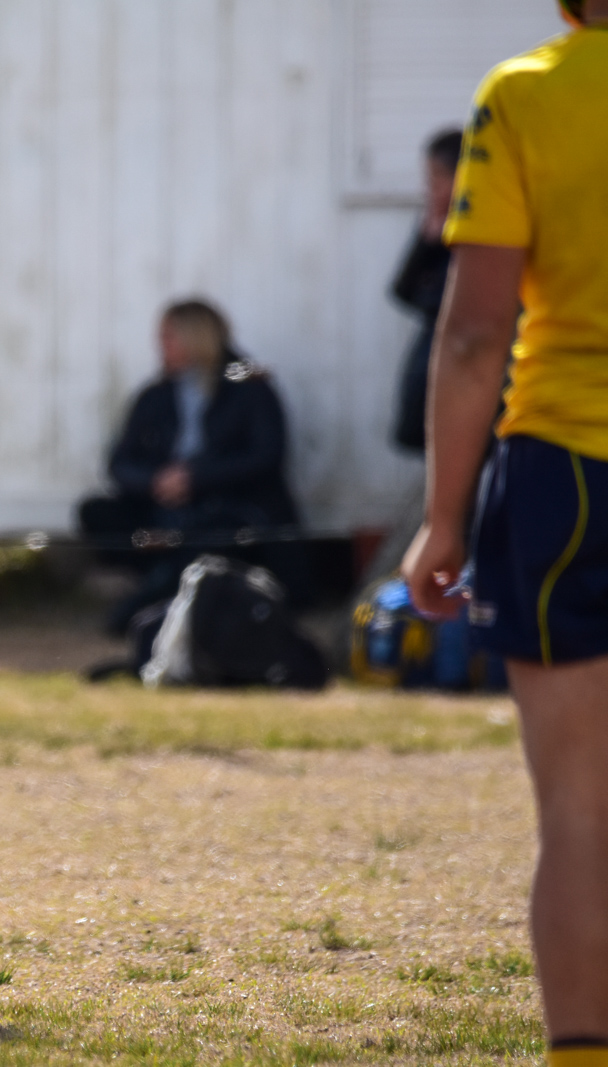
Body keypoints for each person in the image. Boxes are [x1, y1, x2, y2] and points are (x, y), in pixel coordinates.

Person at [403, 4, 608, 1067]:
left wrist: (443, 515)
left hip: (569, 469)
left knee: (580, 810)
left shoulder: (526, 94)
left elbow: (478, 325)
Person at [78, 299, 301, 632]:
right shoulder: (156, 395)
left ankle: (144, 608)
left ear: (195, 338)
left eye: (169, 337)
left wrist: (197, 478)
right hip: (168, 510)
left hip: (229, 509)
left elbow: (266, 457)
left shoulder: (250, 388)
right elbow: (120, 463)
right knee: (98, 513)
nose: (161, 346)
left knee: (212, 538)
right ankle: (161, 581)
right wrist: (157, 482)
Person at [390, 128, 465, 454]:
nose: (429, 191)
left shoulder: (484, 232)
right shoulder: (435, 229)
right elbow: (401, 291)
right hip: (434, 360)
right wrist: (427, 240)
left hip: (465, 368)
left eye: (436, 180)